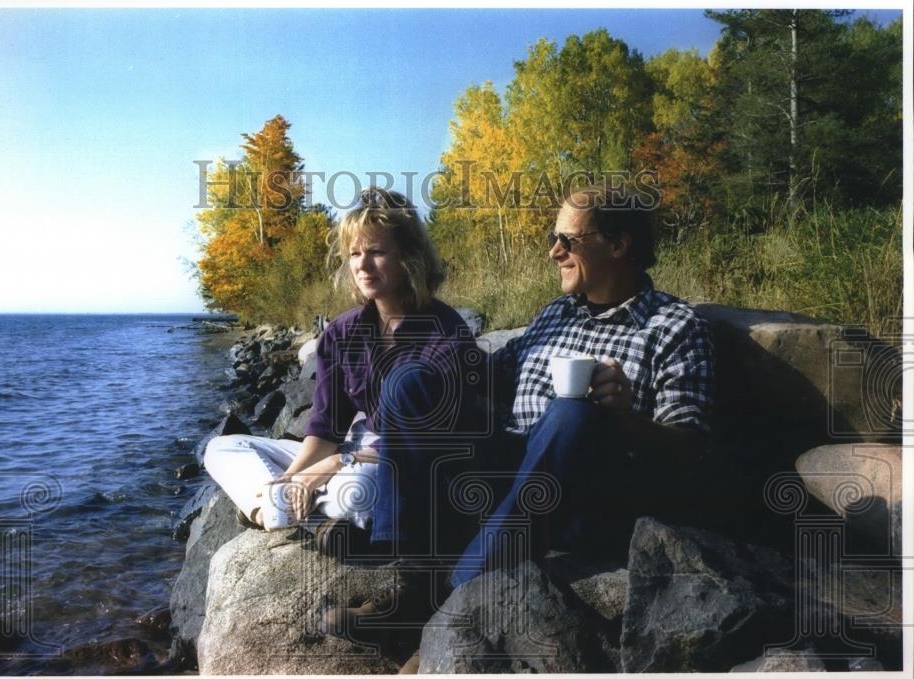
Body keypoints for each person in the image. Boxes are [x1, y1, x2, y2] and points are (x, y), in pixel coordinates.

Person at [446, 186, 717, 587]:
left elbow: (690, 448)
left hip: (588, 500)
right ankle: (401, 565)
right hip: (515, 469)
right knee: (417, 384)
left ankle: (458, 592)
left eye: (567, 241)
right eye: (554, 239)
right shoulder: (556, 313)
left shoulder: (675, 326)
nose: (554, 252)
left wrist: (623, 418)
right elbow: (491, 372)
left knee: (572, 411)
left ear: (619, 244)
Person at [203, 187, 479, 562]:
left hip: (407, 464)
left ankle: (281, 511)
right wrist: (293, 478)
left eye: (377, 252)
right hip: (348, 452)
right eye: (354, 254)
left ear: (409, 257)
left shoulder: (446, 333)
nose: (362, 265)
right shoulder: (342, 333)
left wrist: (331, 467)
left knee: (361, 493)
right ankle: (277, 512)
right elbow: (327, 429)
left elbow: (436, 438)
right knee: (223, 447)